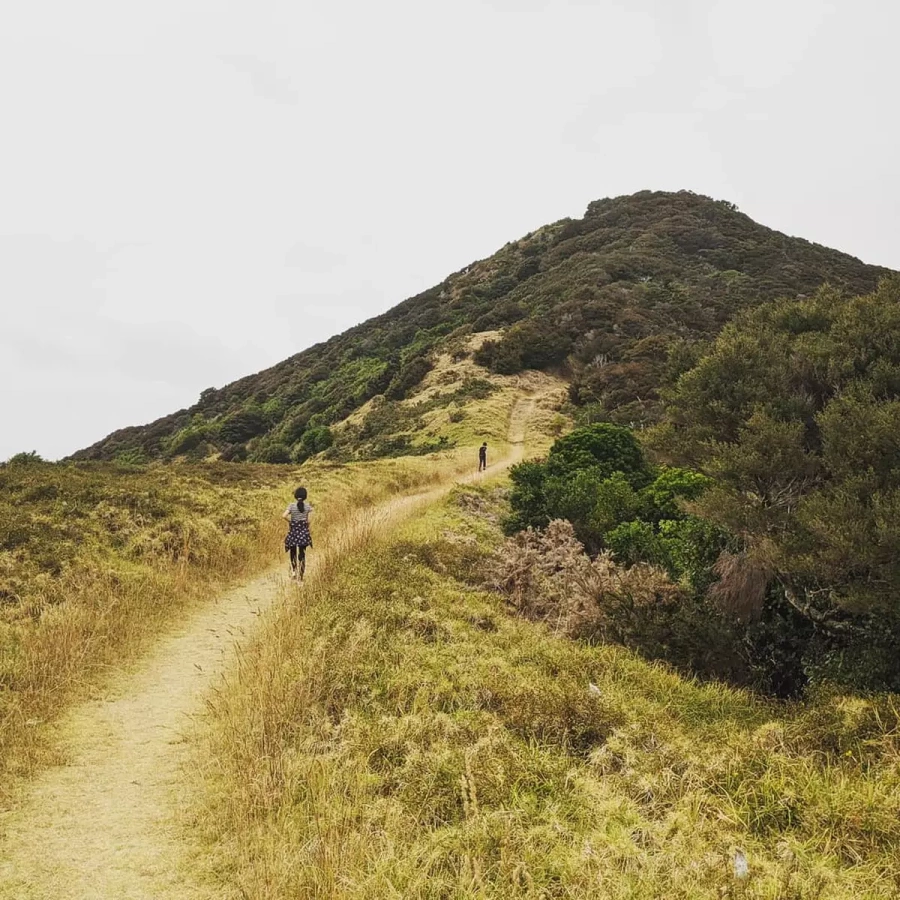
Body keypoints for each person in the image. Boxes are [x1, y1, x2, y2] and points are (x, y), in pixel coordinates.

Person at [283, 486, 313, 581]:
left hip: (293, 532)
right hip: (303, 532)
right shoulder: (307, 506)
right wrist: (305, 524)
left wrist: (291, 522)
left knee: (293, 551)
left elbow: (283, 515)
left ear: (295, 496)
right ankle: (301, 574)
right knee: (302, 553)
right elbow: (309, 520)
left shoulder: (291, 506)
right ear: (305, 496)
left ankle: (294, 571)